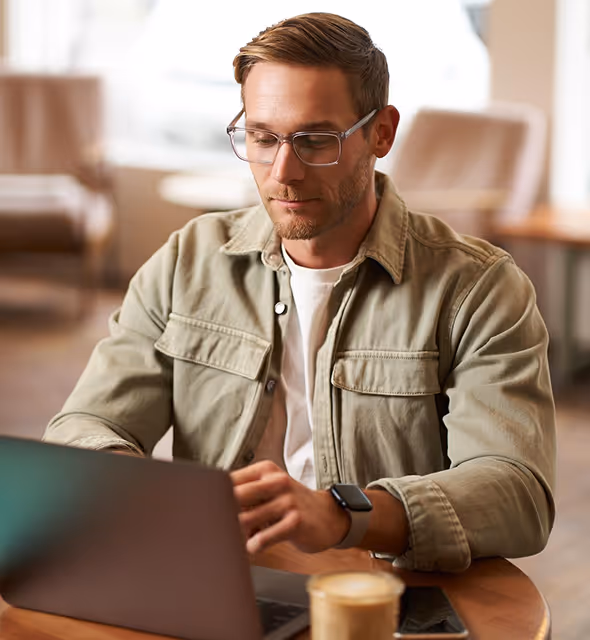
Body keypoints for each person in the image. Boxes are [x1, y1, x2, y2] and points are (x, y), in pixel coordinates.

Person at [44, 12, 556, 572]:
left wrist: (342, 515)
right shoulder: (187, 261)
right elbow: (86, 426)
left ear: (381, 133)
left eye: (315, 141)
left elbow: (517, 492)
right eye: (262, 138)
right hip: (218, 581)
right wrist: (128, 480)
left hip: (382, 592)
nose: (283, 172)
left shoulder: (478, 289)